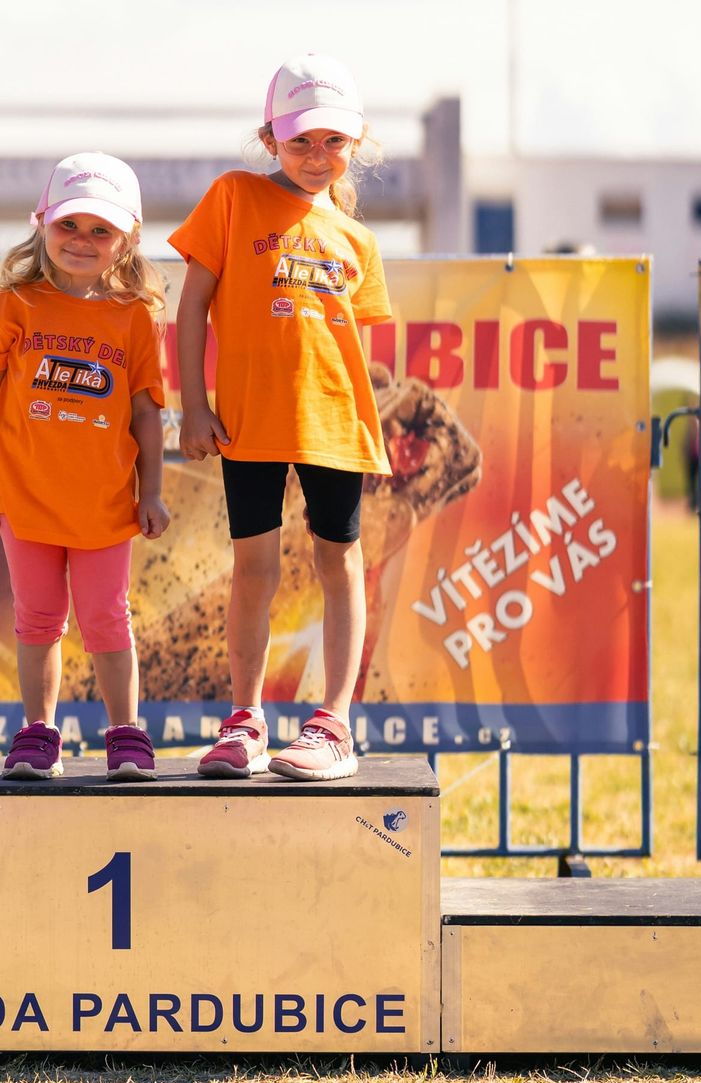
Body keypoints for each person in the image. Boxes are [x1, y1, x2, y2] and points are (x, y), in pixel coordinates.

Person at [169, 53, 393, 781]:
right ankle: (245, 720)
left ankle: (333, 724)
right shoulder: (232, 196)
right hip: (249, 423)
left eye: (333, 141)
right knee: (253, 569)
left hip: (335, 423)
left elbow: (347, 340)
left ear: (355, 143)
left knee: (340, 561)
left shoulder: (359, 240)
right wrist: (192, 404)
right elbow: (193, 303)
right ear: (271, 140)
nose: (317, 156)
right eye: (301, 141)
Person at [0, 152, 170, 782]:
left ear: (127, 238)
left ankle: (125, 734)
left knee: (108, 618)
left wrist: (152, 493)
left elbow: (146, 416)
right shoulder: (10, 308)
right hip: (24, 503)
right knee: (38, 618)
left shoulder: (135, 318)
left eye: (100, 230)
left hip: (106, 508)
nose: (82, 242)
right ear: (42, 225)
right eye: (69, 227)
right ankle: (38, 732)